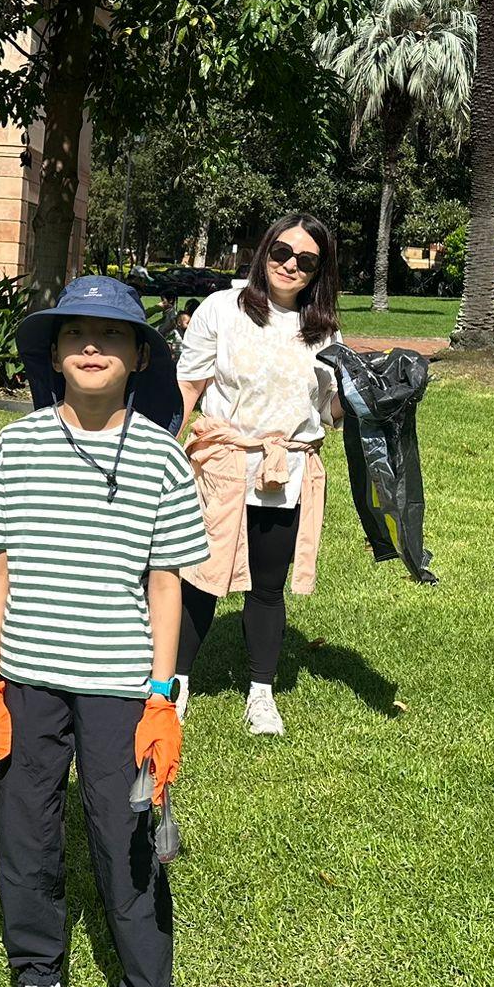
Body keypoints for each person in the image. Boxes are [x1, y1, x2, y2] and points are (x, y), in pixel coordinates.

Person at [0, 275, 209, 987]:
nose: (91, 347)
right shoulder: (16, 446)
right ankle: (37, 981)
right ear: (54, 355)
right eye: (74, 335)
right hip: (27, 683)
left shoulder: (162, 456)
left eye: (111, 335)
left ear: (139, 356)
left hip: (119, 688)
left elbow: (165, 581)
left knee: (124, 837)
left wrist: (163, 698)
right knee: (25, 832)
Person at [173, 213, 342, 738]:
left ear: (318, 272)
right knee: (199, 579)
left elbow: (332, 411)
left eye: (306, 261)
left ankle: (261, 693)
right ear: (264, 252)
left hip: (286, 468)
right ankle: (174, 686)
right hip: (223, 462)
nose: (291, 265)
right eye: (282, 253)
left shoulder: (324, 331)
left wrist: (374, 399)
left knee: (267, 585)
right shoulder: (222, 309)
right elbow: (188, 389)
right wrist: (160, 452)